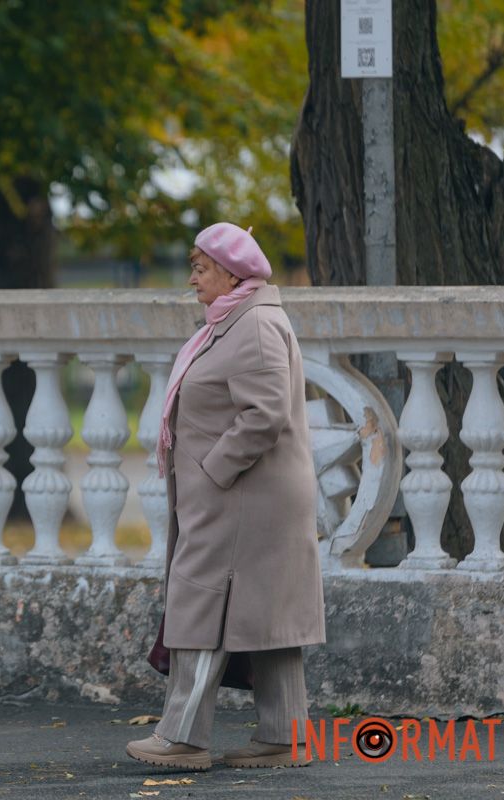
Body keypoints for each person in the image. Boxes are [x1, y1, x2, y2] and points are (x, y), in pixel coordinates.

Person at [126, 222, 326, 770]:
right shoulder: (235, 319)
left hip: (241, 497)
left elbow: (264, 414)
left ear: (232, 272)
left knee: (201, 601)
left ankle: (183, 737)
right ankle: (285, 737)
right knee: (269, 611)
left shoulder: (255, 324)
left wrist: (212, 471)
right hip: (244, 497)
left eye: (200, 268)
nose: (192, 279)